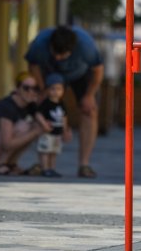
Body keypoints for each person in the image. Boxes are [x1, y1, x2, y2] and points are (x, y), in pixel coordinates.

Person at [25, 25, 103, 179]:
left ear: (73, 50)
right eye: (56, 54)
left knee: (90, 111)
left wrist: (89, 95)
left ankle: (84, 164)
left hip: (81, 74)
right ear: (50, 46)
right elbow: (33, 66)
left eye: (63, 55)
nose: (59, 58)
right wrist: (42, 90)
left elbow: (98, 70)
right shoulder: (40, 43)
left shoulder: (86, 46)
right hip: (50, 74)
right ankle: (42, 162)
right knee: (41, 109)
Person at [34, 73, 72, 178]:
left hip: (57, 133)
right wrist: (43, 124)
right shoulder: (46, 103)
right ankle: (45, 169)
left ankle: (52, 169)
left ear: (63, 90)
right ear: (47, 90)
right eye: (53, 89)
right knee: (45, 151)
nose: (56, 92)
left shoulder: (61, 103)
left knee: (54, 152)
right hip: (47, 132)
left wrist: (65, 130)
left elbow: (64, 117)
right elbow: (38, 114)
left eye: (59, 89)